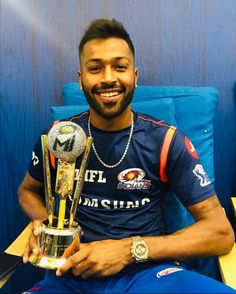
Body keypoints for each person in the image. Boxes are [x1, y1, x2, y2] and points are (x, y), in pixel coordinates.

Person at [18, 18, 235, 293]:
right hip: (69, 276)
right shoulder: (61, 137)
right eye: (95, 68)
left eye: (119, 67)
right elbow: (27, 191)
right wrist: (44, 222)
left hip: (148, 275)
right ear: (81, 78)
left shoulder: (166, 141)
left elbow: (220, 233)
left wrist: (128, 250)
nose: (108, 77)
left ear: (135, 75)